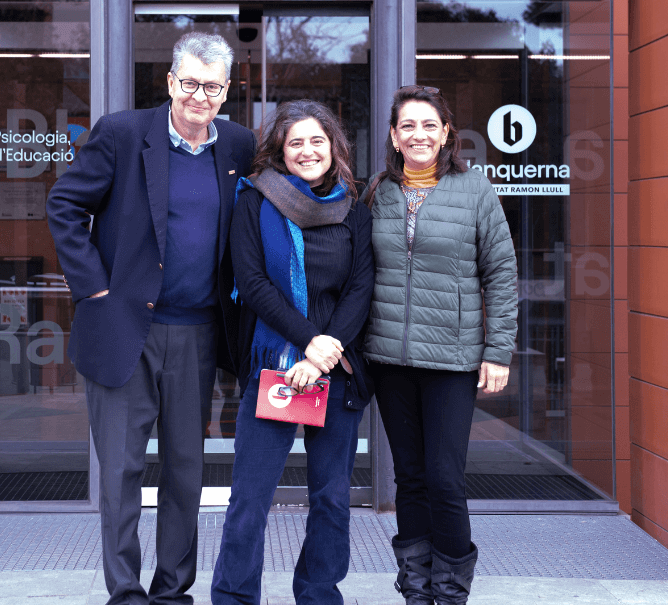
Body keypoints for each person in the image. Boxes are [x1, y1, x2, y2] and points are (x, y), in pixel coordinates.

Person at [46, 32, 257, 605]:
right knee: (121, 472)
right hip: (124, 331)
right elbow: (65, 205)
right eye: (188, 82)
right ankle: (125, 593)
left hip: (199, 333)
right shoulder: (121, 133)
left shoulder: (238, 145)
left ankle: (171, 591)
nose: (199, 96)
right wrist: (93, 289)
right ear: (169, 82)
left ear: (226, 91)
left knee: (186, 473)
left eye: (211, 86)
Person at [211, 100, 375, 605]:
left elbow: (360, 287)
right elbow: (253, 284)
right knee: (250, 497)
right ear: (281, 150)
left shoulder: (354, 206)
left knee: (330, 497)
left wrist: (324, 353)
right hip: (274, 366)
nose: (307, 150)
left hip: (337, 368)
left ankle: (319, 592)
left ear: (334, 146)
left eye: (317, 140)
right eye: (296, 141)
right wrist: (308, 341)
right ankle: (235, 596)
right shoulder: (255, 201)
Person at [363, 86, 518, 605]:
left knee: (445, 479)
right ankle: (416, 588)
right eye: (408, 126)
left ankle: (450, 594)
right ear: (393, 135)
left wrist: (498, 350)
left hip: (453, 358)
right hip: (389, 358)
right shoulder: (378, 191)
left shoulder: (475, 190)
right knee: (409, 478)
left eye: (429, 125)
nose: (419, 135)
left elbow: (501, 273)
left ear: (446, 132)